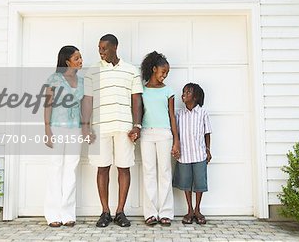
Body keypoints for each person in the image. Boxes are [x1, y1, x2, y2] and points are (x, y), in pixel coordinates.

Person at [81, 34, 143, 227]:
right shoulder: (92, 71)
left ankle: (120, 212)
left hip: (124, 127)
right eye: (99, 48)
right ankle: (105, 212)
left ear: (115, 47)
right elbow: (87, 100)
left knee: (124, 168)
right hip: (100, 127)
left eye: (104, 48)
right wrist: (86, 125)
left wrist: (137, 125)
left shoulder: (131, 70)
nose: (101, 52)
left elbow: (137, 100)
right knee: (103, 168)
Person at [43, 45, 84, 228]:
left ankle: (68, 214)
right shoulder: (54, 79)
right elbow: (48, 105)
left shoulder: (82, 81)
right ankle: (53, 215)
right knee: (55, 169)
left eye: (80, 57)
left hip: (75, 129)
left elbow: (84, 107)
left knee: (71, 171)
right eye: (77, 58)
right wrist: (47, 129)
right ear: (67, 61)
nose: (80, 61)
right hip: (57, 128)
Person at [139, 51, 180, 226]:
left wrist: (176, 140)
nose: (164, 76)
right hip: (147, 134)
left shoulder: (169, 91)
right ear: (154, 69)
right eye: (162, 72)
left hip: (165, 134)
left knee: (164, 172)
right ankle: (150, 213)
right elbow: (139, 114)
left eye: (167, 73)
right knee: (149, 173)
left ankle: (166, 213)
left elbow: (172, 116)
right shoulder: (142, 89)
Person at [172, 83, 212, 225]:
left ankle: (197, 209)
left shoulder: (202, 113)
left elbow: (207, 133)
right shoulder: (179, 114)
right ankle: (189, 210)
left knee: (199, 183)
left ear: (195, 97)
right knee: (186, 183)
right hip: (184, 156)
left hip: (199, 154)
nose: (184, 94)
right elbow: (175, 133)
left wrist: (207, 149)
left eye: (188, 92)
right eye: (183, 91)